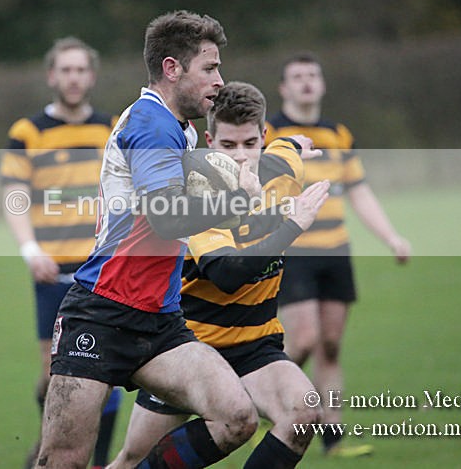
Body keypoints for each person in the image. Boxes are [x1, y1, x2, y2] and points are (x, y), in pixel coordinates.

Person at [36, 11, 263, 469]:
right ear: (172, 68)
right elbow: (168, 217)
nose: (219, 80)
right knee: (63, 461)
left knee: (236, 417)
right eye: (209, 68)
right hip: (102, 313)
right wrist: (239, 201)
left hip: (161, 320)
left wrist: (285, 152)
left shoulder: (181, 128)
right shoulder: (152, 124)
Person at [108, 81, 330, 469]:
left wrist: (295, 143)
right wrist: (292, 225)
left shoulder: (281, 168)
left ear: (263, 137)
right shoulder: (199, 192)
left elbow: (287, 147)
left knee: (303, 413)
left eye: (250, 143)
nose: (241, 156)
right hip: (192, 347)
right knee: (133, 460)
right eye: (228, 145)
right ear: (209, 141)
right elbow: (228, 273)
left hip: (255, 344)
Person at [266, 51, 411, 458]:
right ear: (283, 87)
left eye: (313, 75)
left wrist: (391, 238)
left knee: (330, 345)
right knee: (303, 340)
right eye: (298, 76)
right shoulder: (270, 132)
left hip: (335, 251)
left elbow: (359, 192)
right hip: (292, 250)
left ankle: (333, 440)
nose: (306, 82)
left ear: (323, 84)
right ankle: (263, 394)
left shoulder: (339, 134)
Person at [0, 37, 121, 468]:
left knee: (105, 372)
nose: (73, 78)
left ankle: (97, 461)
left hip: (101, 271)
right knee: (54, 378)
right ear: (52, 76)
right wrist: (30, 250)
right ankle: (49, 442)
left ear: (92, 76)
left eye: (81, 70)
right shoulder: (28, 132)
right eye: (65, 70)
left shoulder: (111, 128)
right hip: (52, 273)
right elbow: (14, 196)